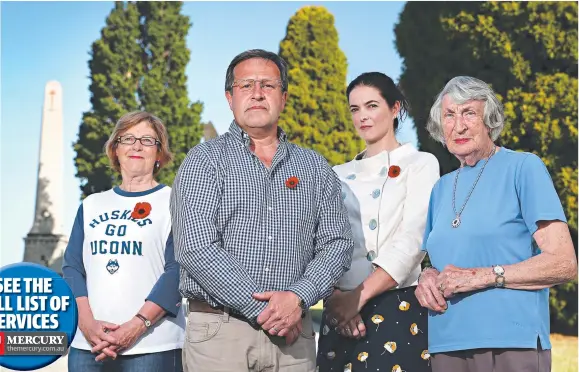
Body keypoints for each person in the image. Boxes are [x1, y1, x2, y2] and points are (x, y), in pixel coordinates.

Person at [170, 49, 355, 372]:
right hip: (220, 334)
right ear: (230, 97)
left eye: (268, 85)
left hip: (293, 338)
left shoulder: (314, 167)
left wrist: (297, 297)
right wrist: (267, 311)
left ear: (283, 98)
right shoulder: (204, 161)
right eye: (246, 85)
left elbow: (336, 243)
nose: (257, 93)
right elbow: (196, 247)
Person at [415, 76, 578, 372]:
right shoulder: (440, 188)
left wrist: (481, 276)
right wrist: (426, 277)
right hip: (445, 344)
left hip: (509, 344)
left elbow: (564, 263)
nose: (458, 125)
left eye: (469, 113)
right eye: (449, 115)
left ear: (489, 120)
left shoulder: (523, 168)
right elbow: (438, 261)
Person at [316, 72, 440, 372]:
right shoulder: (335, 173)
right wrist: (336, 300)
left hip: (397, 304)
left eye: (372, 106)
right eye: (355, 109)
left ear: (395, 108)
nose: (362, 117)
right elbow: (319, 240)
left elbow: (413, 239)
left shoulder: (421, 163)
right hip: (341, 313)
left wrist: (358, 297)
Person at [62, 111, 185, 371]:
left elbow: (178, 269)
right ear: (115, 150)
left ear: (159, 154)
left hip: (153, 347)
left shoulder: (175, 202)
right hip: (89, 346)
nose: (137, 145)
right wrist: (86, 323)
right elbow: (72, 266)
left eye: (147, 140)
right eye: (127, 138)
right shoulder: (91, 205)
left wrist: (137, 326)